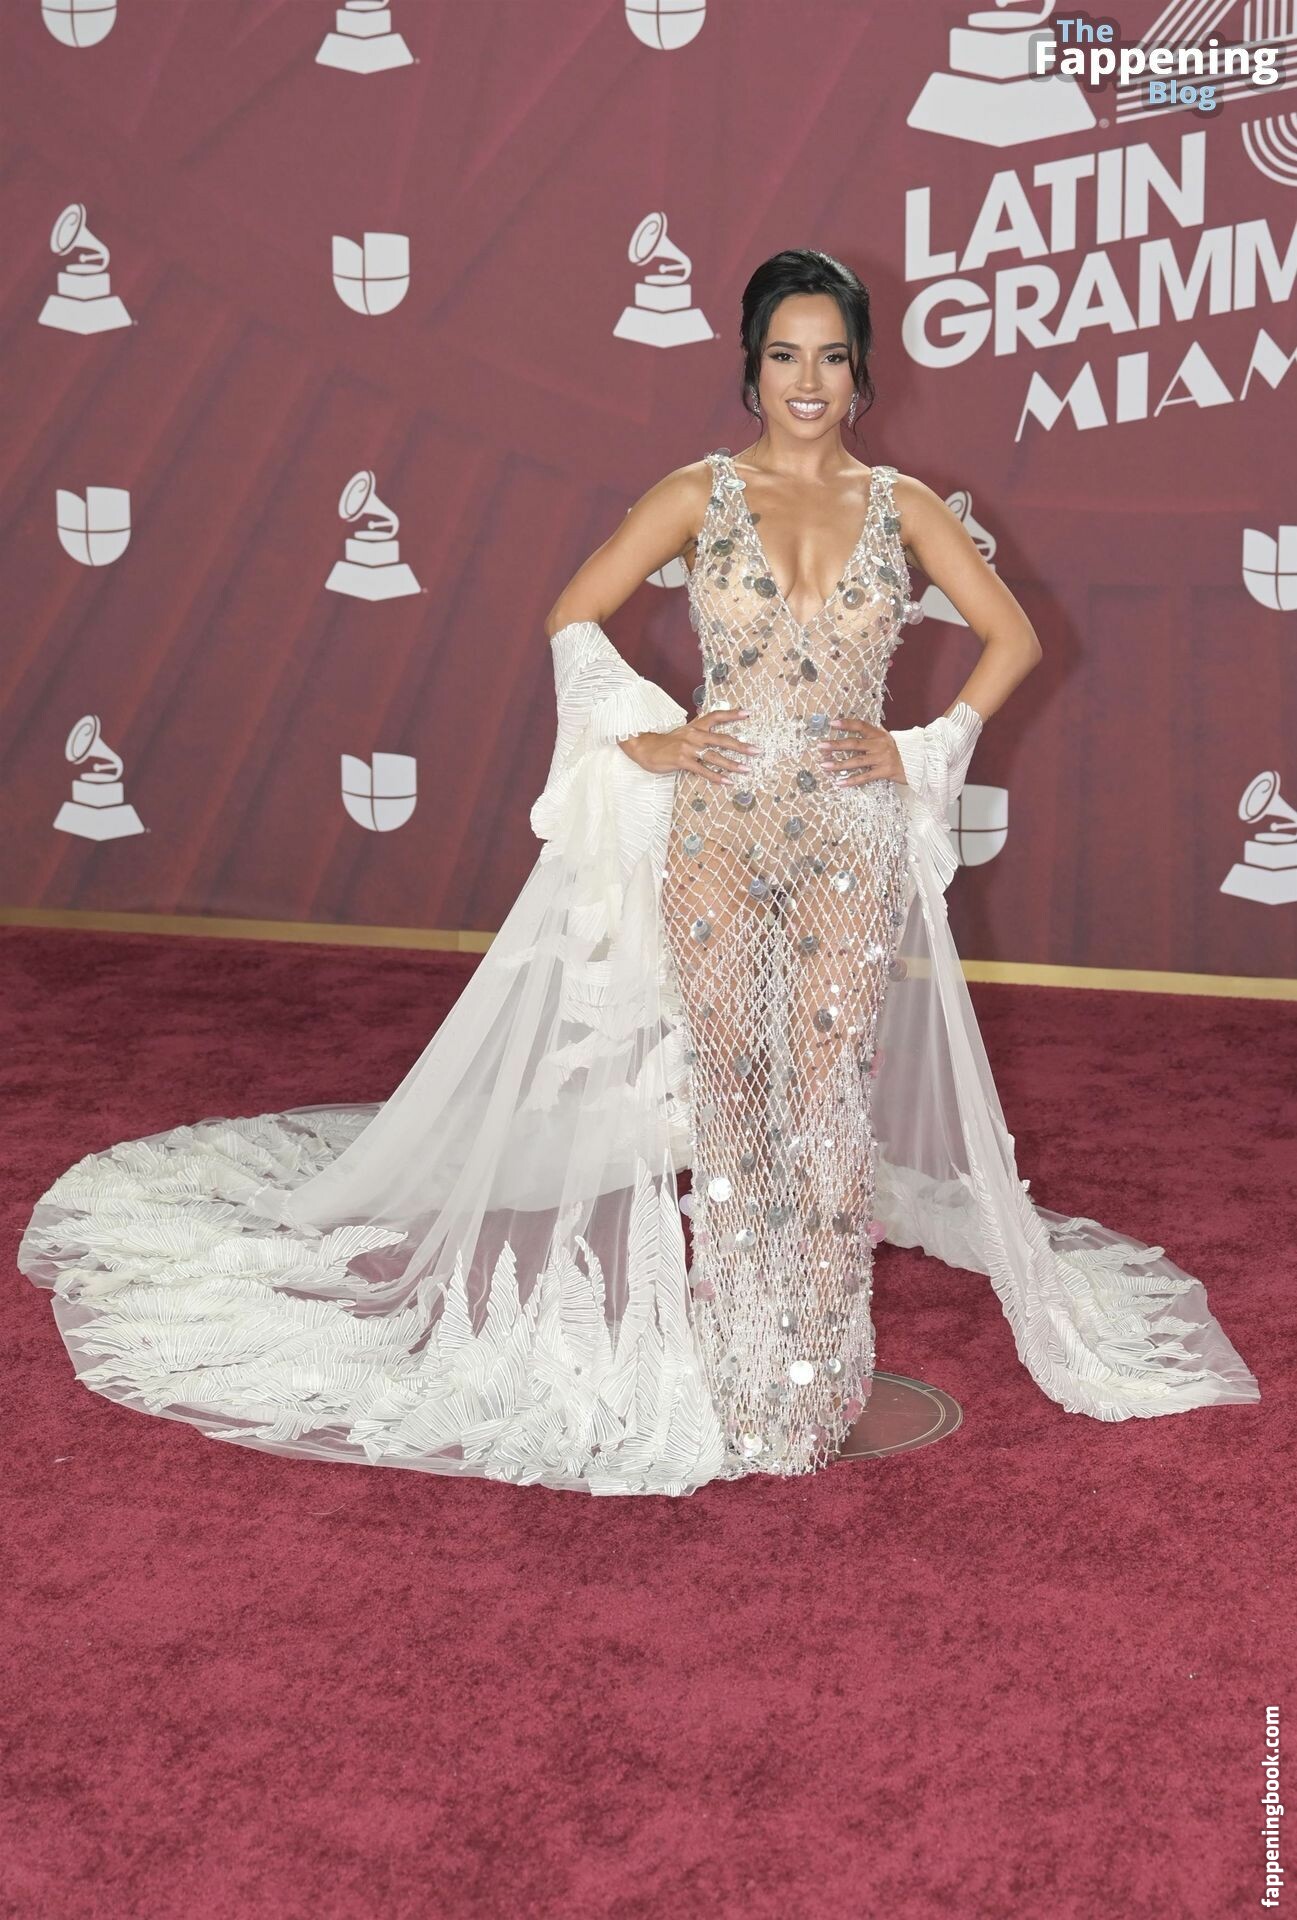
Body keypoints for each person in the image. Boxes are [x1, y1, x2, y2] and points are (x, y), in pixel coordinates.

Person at [17, 249, 1259, 1496]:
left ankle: (816, 1370)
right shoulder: (697, 492)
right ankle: (737, 1362)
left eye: (831, 357)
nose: (808, 381)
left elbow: (1013, 636)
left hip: (848, 843)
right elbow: (572, 614)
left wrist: (924, 745)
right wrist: (640, 737)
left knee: (824, 1097)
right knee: (731, 1098)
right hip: (714, 833)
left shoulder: (904, 506)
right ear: (751, 368)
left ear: (861, 371)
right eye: (785, 355)